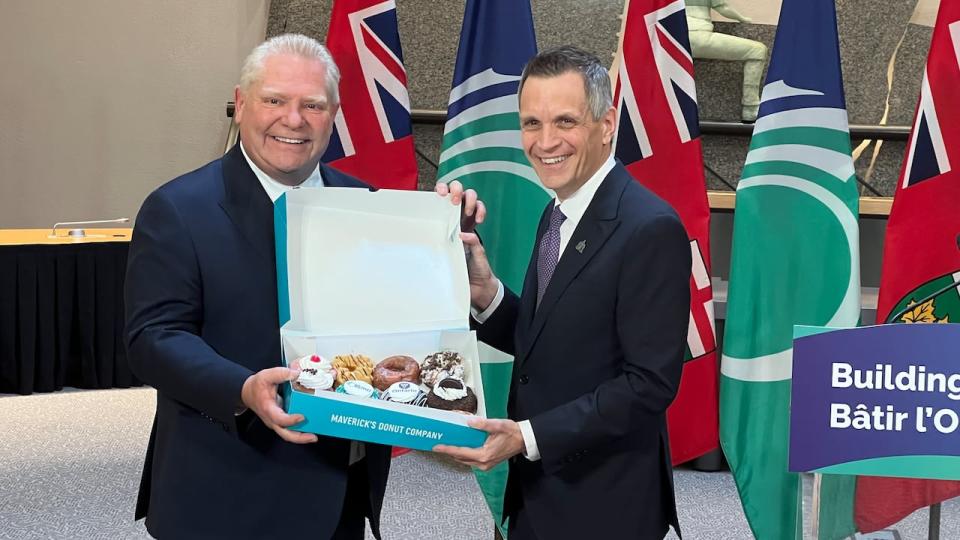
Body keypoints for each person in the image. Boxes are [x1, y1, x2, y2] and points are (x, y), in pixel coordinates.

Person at [125, 34, 485, 539]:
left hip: (342, 489)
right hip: (227, 494)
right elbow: (153, 339)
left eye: (312, 105)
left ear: (333, 113)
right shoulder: (178, 209)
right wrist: (242, 388)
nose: (293, 120)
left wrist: (446, 232)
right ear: (243, 103)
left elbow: (405, 311)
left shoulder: (364, 201)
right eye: (275, 100)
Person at [434, 46, 691, 539]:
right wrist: (485, 291)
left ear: (607, 123)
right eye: (531, 123)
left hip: (603, 502)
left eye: (565, 121)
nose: (545, 141)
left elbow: (649, 384)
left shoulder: (649, 228)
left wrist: (525, 437)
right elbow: (549, 339)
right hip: (540, 489)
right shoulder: (558, 209)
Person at [686, 0, 767, 122]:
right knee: (758, 50)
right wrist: (743, 19)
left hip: (671, 38)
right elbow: (723, 7)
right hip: (700, 35)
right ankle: (750, 107)